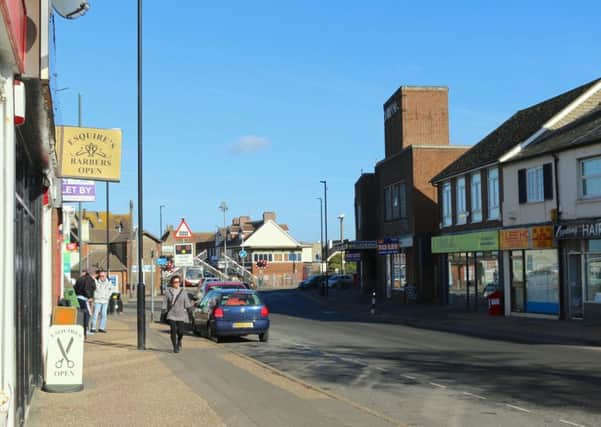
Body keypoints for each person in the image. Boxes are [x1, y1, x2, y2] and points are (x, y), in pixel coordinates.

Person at [162, 275, 191, 353]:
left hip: (181, 314)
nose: (177, 283)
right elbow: (165, 302)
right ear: (172, 283)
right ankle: (175, 347)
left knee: (181, 331)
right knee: (173, 330)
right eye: (175, 282)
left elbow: (187, 303)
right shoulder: (168, 291)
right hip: (171, 314)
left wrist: (189, 311)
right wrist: (163, 311)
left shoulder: (183, 292)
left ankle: (179, 340)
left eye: (178, 282)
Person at [74, 270, 96, 337]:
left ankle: (81, 329)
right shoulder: (88, 279)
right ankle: (85, 330)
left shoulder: (79, 279)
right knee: (88, 314)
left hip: (78, 297)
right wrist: (90, 297)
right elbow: (87, 289)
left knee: (81, 314)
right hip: (84, 298)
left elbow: (75, 288)